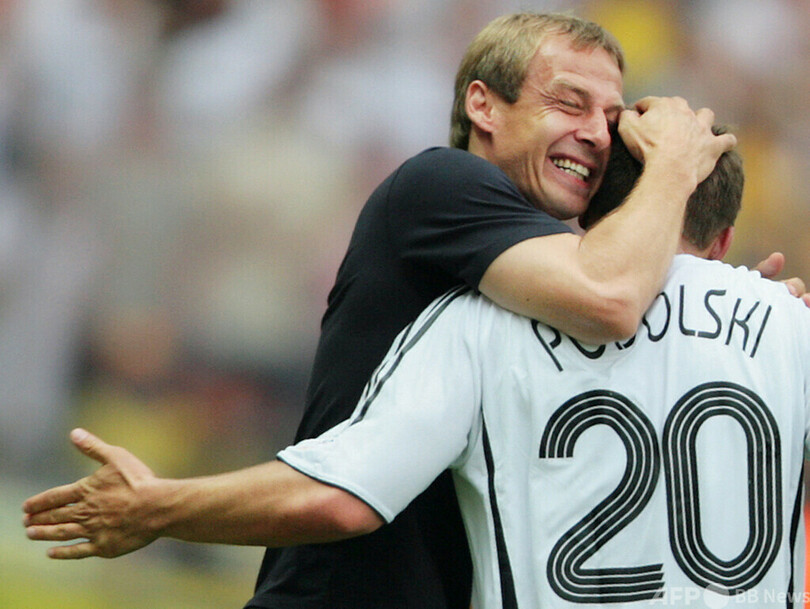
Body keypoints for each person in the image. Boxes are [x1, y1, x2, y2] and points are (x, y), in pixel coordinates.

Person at [21, 11, 763, 609]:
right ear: (483, 105)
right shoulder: (442, 186)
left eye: (610, 115)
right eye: (569, 102)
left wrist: (729, 309)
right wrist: (674, 163)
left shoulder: (548, 272)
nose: (598, 132)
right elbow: (611, 298)